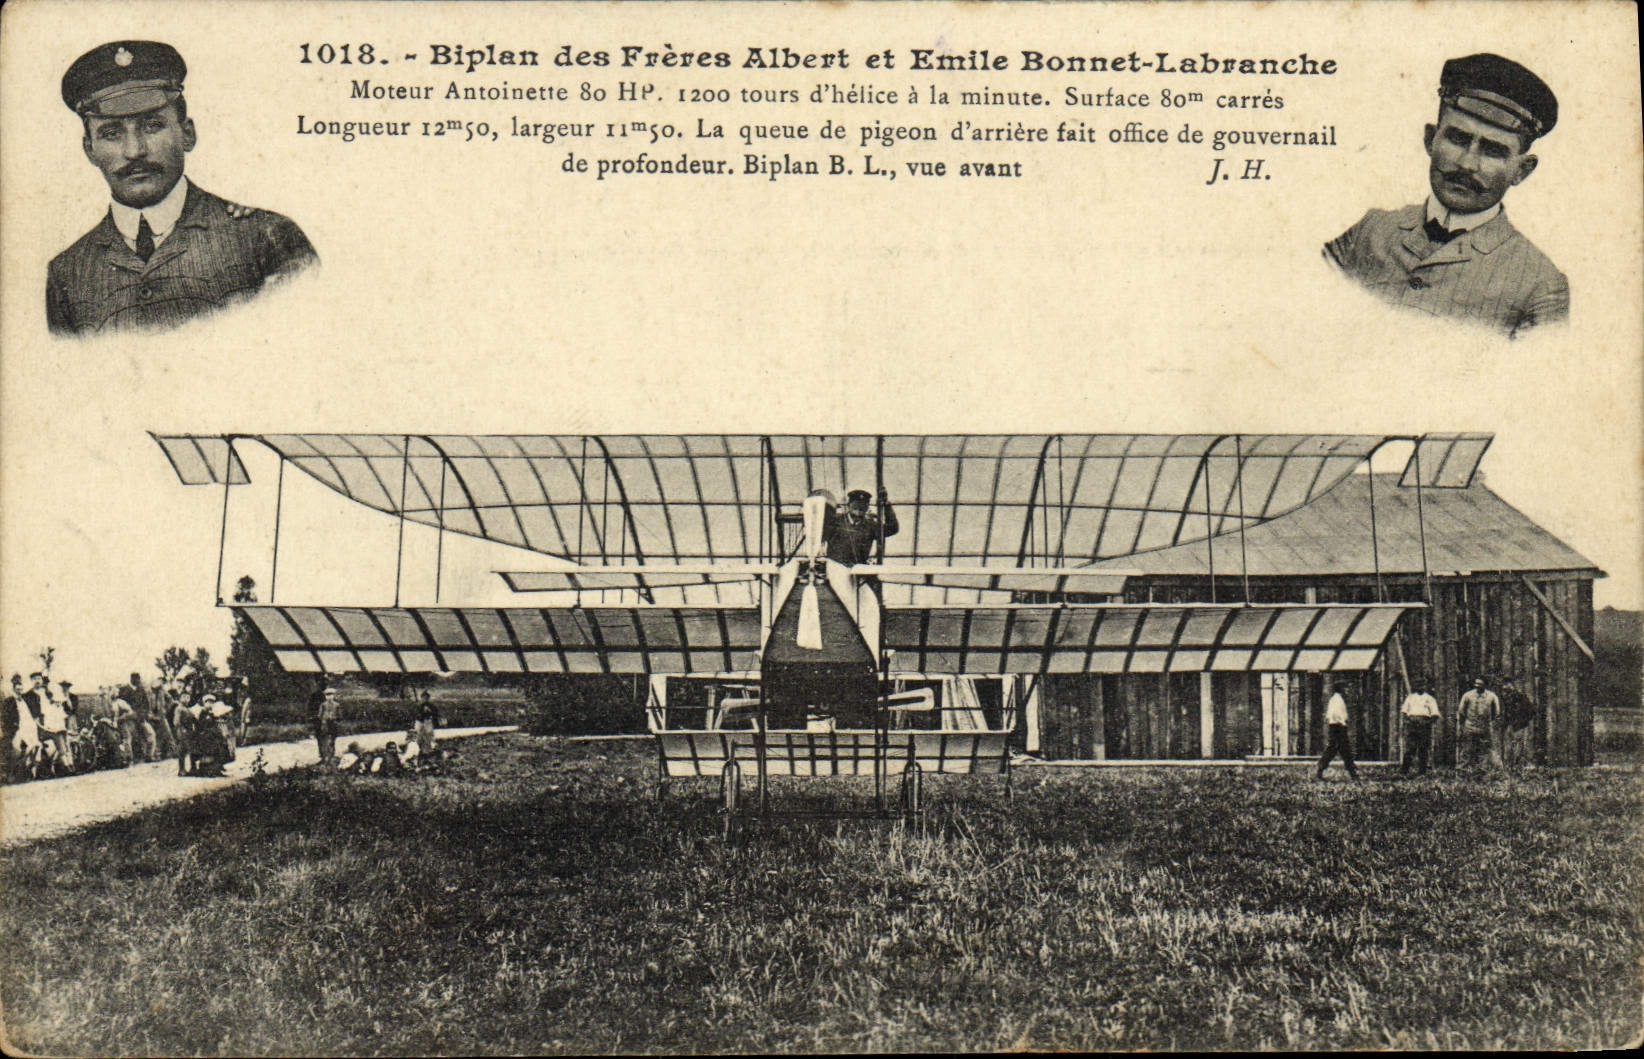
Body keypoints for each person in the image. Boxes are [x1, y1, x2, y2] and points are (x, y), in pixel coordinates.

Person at [48, 41, 317, 336]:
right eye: (111, 134)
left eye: (152, 126)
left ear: (187, 134)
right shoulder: (69, 271)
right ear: (90, 149)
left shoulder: (266, 239)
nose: (135, 151)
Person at [1323, 53, 1565, 337]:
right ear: (1430, 139)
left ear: (1522, 170)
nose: (1467, 164)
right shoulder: (1369, 231)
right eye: (1458, 139)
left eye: (1492, 151)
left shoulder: (1540, 286)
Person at [826, 488, 899, 565]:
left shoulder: (871, 526)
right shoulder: (835, 521)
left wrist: (886, 505)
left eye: (862, 506)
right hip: (835, 570)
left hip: (859, 570)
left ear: (867, 508)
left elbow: (892, 528)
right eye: (855, 505)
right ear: (848, 505)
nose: (858, 509)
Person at [1315, 682, 1360, 781]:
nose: (1347, 691)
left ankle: (1352, 772)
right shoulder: (1337, 699)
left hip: (1336, 727)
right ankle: (1321, 768)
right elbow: (1334, 714)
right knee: (1339, 749)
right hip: (1337, 727)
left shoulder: (1335, 699)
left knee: (1343, 750)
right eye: (1345, 688)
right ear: (1341, 689)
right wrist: (1342, 722)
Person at [1457, 677, 1501, 768]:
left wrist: (1490, 722)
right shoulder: (1467, 695)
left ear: (1485, 685)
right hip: (1470, 726)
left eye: (1480, 684)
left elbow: (1496, 712)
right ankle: (1462, 770)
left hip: (1485, 727)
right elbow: (1461, 711)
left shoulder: (1492, 696)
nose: (1477, 686)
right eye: (1476, 684)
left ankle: (1482, 769)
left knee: (1484, 750)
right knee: (1467, 749)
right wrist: (1463, 725)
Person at [1399, 681, 1441, 776]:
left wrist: (1427, 723)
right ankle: (1404, 771)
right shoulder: (1410, 698)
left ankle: (1422, 772)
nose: (1420, 687)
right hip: (1412, 724)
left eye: (1422, 685)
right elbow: (1404, 711)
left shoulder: (1430, 699)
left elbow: (1435, 714)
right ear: (1415, 686)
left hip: (1424, 725)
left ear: (1425, 686)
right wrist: (1408, 721)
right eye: (1418, 685)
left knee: (1423, 748)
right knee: (1410, 748)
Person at [1499, 677, 1538, 768]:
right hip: (1507, 726)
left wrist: (1522, 722)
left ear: (1512, 685)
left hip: (1518, 726)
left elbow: (1531, 711)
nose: (1505, 687)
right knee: (1507, 747)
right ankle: (1508, 767)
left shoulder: (1520, 697)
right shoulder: (1503, 698)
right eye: (1504, 686)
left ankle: (1517, 766)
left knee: (1518, 747)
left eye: (1507, 685)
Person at [312, 684, 341, 764]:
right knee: (325, 739)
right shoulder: (323, 705)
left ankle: (332, 755)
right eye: (327, 695)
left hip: (333, 723)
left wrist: (337, 720)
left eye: (331, 695)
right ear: (325, 696)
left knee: (332, 739)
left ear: (334, 696)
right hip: (325, 723)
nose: (329, 697)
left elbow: (339, 715)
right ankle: (325, 756)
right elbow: (320, 715)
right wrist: (322, 721)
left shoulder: (336, 705)